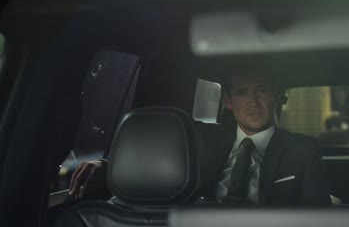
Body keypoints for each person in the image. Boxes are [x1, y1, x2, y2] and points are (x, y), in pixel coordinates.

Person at [69, 66, 331, 206]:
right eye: (242, 92)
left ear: (274, 96)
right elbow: (153, 155)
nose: (253, 101)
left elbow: (316, 221)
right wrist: (108, 168)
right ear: (228, 102)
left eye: (261, 90)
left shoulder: (304, 151)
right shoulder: (199, 139)